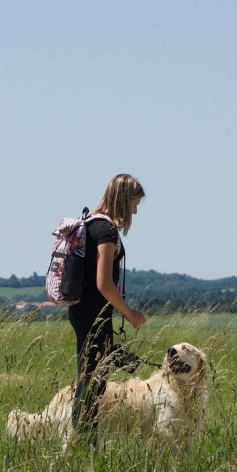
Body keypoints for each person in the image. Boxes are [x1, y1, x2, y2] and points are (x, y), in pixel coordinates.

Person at [69, 173, 148, 446]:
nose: (135, 211)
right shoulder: (106, 231)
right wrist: (130, 313)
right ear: (124, 201)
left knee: (89, 379)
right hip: (94, 313)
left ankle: (84, 441)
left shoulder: (91, 223)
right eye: (134, 204)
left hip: (81, 311)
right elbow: (104, 283)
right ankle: (84, 444)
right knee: (93, 383)